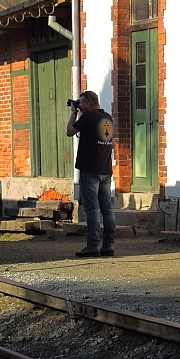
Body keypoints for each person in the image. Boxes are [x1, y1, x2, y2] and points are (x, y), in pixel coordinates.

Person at [66, 90, 116, 257]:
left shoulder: (87, 117)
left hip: (89, 170)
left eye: (81, 103)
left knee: (92, 209)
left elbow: (70, 131)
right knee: (107, 209)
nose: (79, 105)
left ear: (88, 103)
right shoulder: (107, 117)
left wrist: (74, 113)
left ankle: (93, 245)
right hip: (105, 170)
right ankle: (108, 245)